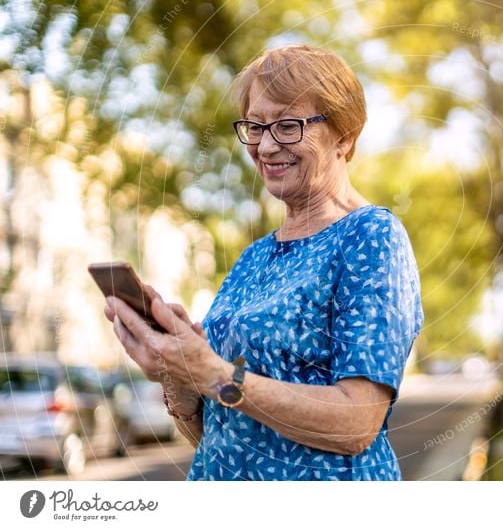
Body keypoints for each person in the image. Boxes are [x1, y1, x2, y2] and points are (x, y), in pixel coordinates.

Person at [104, 44, 424, 480]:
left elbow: (356, 424)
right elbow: (222, 437)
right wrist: (179, 380)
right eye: (255, 127)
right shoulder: (253, 259)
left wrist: (216, 375)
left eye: (288, 126)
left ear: (344, 135)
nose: (266, 146)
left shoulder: (370, 237)